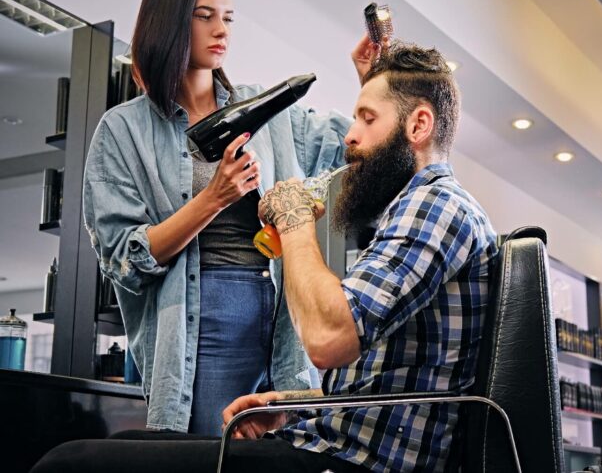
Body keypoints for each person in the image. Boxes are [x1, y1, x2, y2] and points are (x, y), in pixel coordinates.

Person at [33, 43, 498, 472]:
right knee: (128, 442)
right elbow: (390, 384)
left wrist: (293, 218)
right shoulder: (412, 210)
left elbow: (327, 338)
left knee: (68, 464)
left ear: (418, 125)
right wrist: (293, 405)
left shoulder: (436, 207)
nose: (350, 137)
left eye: (367, 119)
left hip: (355, 463)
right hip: (329, 440)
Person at [81, 0, 383, 436]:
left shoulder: (268, 112)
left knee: (280, 459)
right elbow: (126, 258)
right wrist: (213, 198)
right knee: (212, 454)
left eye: (227, 18)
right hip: (202, 330)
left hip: (283, 320)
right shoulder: (124, 131)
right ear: (169, 23)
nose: (221, 30)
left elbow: (354, 147)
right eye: (205, 17)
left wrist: (370, 83)